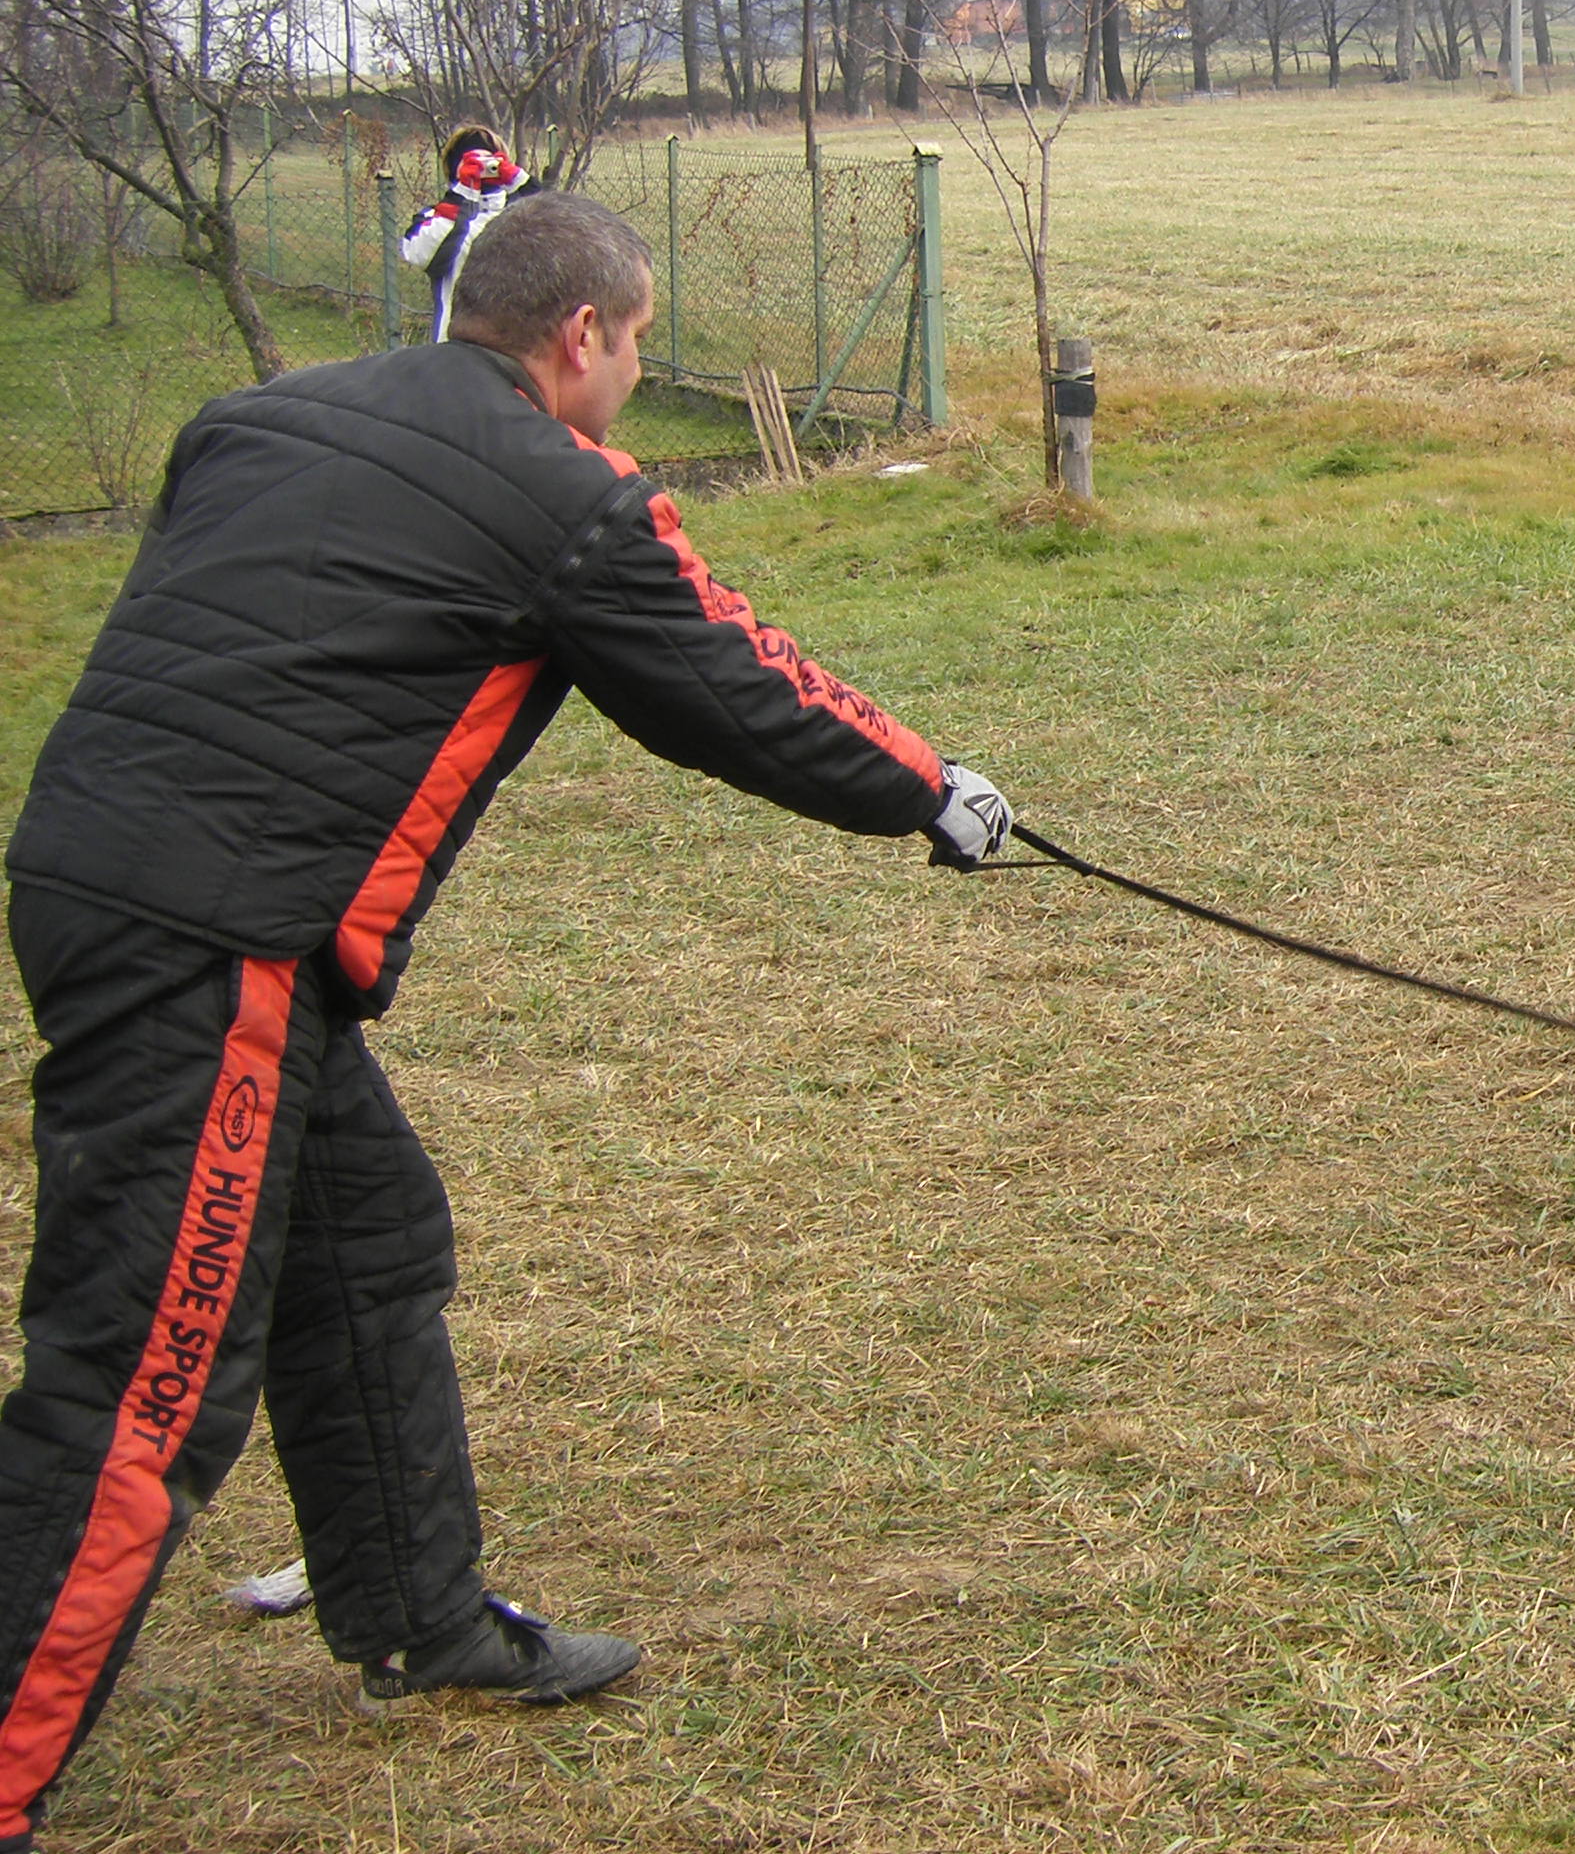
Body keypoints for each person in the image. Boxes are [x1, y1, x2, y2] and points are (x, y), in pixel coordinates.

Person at [0, 193, 1014, 1851]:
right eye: (631, 341)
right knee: (138, 1377)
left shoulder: (259, 412)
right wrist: (930, 787)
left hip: (98, 877)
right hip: (218, 943)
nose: (626, 372)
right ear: (583, 338)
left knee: (365, 1239)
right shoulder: (567, 495)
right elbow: (731, 682)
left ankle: (424, 1612)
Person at [398, 124, 538, 343]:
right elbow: (423, 255)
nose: (482, 168)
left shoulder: (523, 215)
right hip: (455, 347)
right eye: (471, 162)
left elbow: (564, 234)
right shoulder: (438, 216)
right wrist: (463, 193)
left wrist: (519, 181)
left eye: (488, 162)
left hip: (516, 345)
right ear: (455, 168)